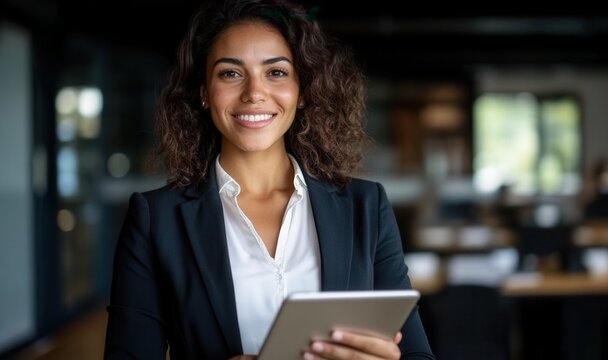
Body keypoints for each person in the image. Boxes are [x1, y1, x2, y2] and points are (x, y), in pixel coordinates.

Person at [104, 0, 434, 359]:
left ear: (303, 90)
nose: (254, 93)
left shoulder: (366, 206)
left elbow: (416, 354)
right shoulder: (155, 220)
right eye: (230, 73)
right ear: (203, 92)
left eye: (276, 72)